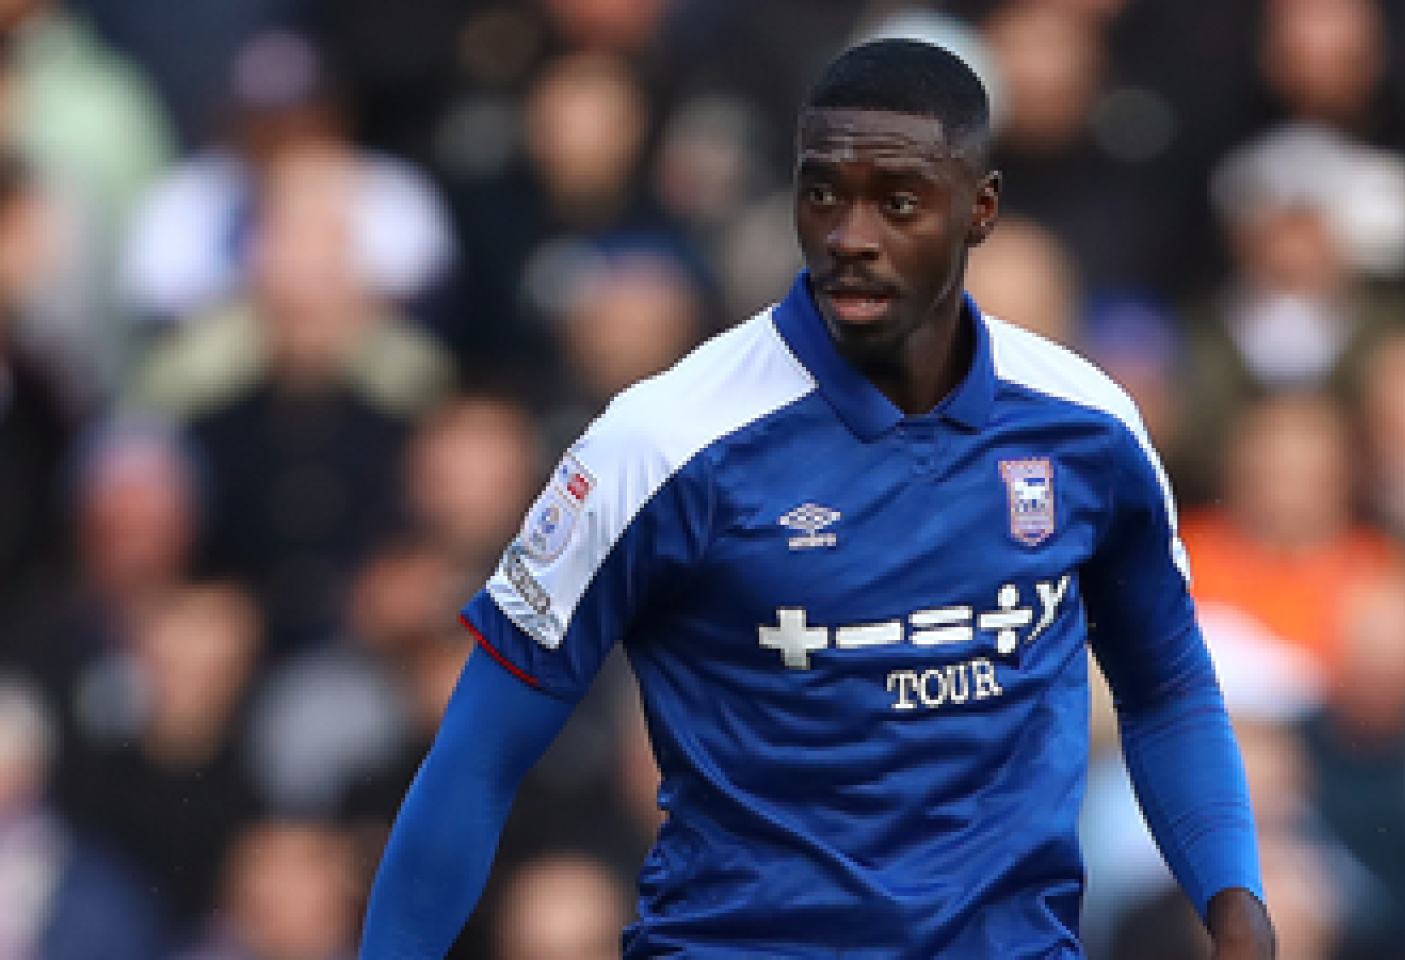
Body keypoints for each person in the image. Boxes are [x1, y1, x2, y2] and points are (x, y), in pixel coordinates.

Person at [360, 38, 1273, 958]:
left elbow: (1166, 688)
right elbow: (477, 758)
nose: (850, 237)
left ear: (981, 210)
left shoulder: (1090, 428)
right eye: (823, 191)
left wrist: (1234, 900)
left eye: (899, 201)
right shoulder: (663, 443)